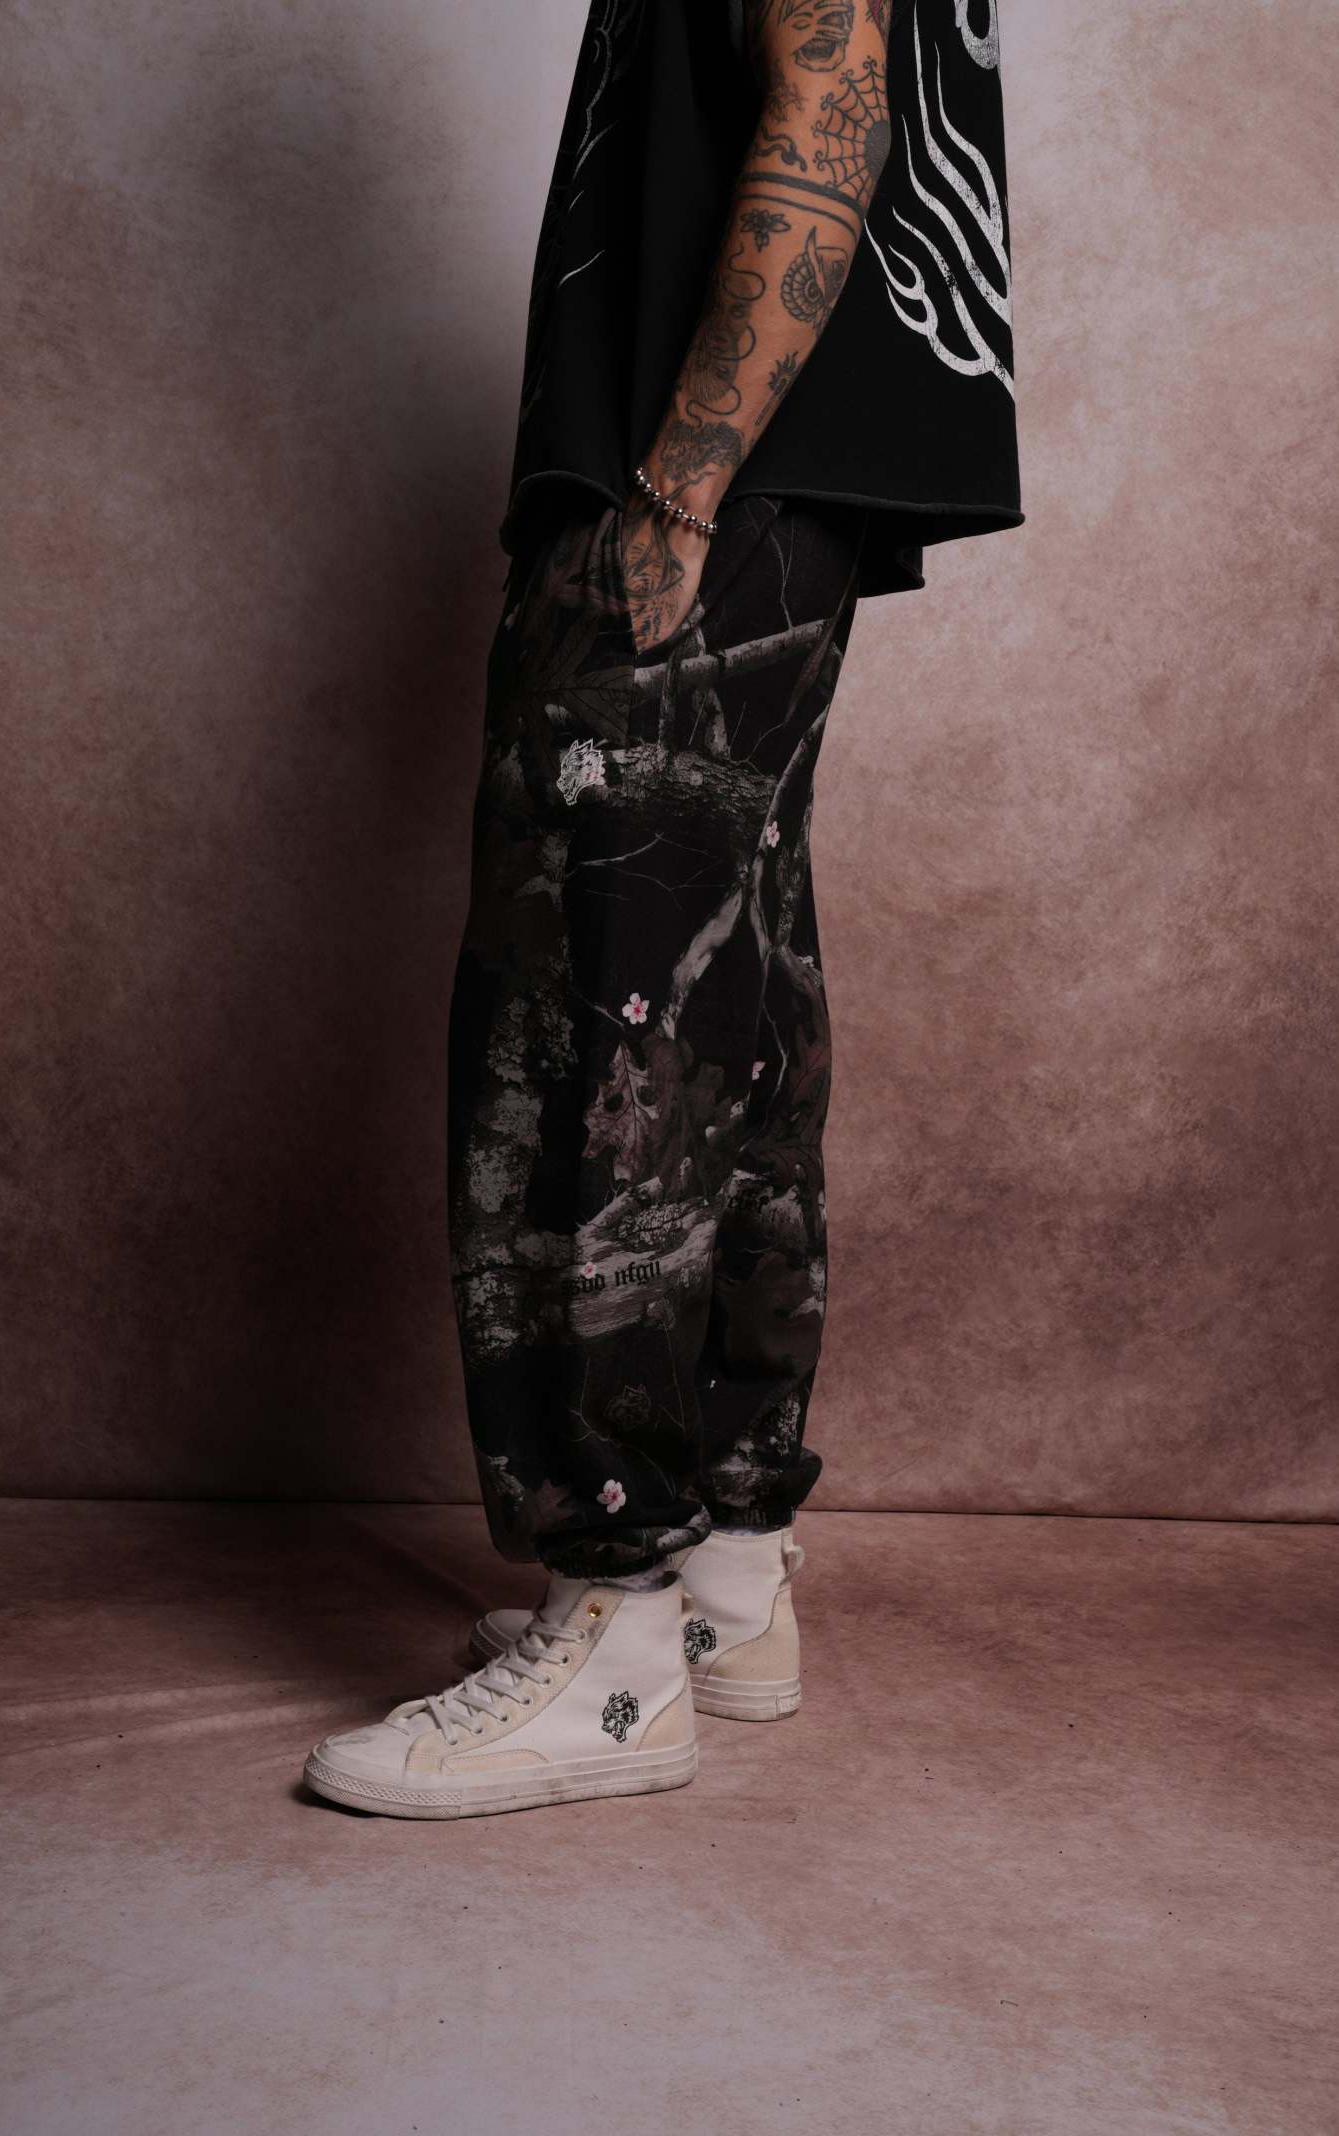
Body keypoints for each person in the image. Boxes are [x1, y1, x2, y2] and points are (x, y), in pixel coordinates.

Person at [305, 0, 1022, 1818]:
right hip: (776, 488)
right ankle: (718, 1574)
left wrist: (681, 477)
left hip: (707, 480)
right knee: (723, 1005)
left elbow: (828, 105)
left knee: (586, 1023)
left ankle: (612, 1627)